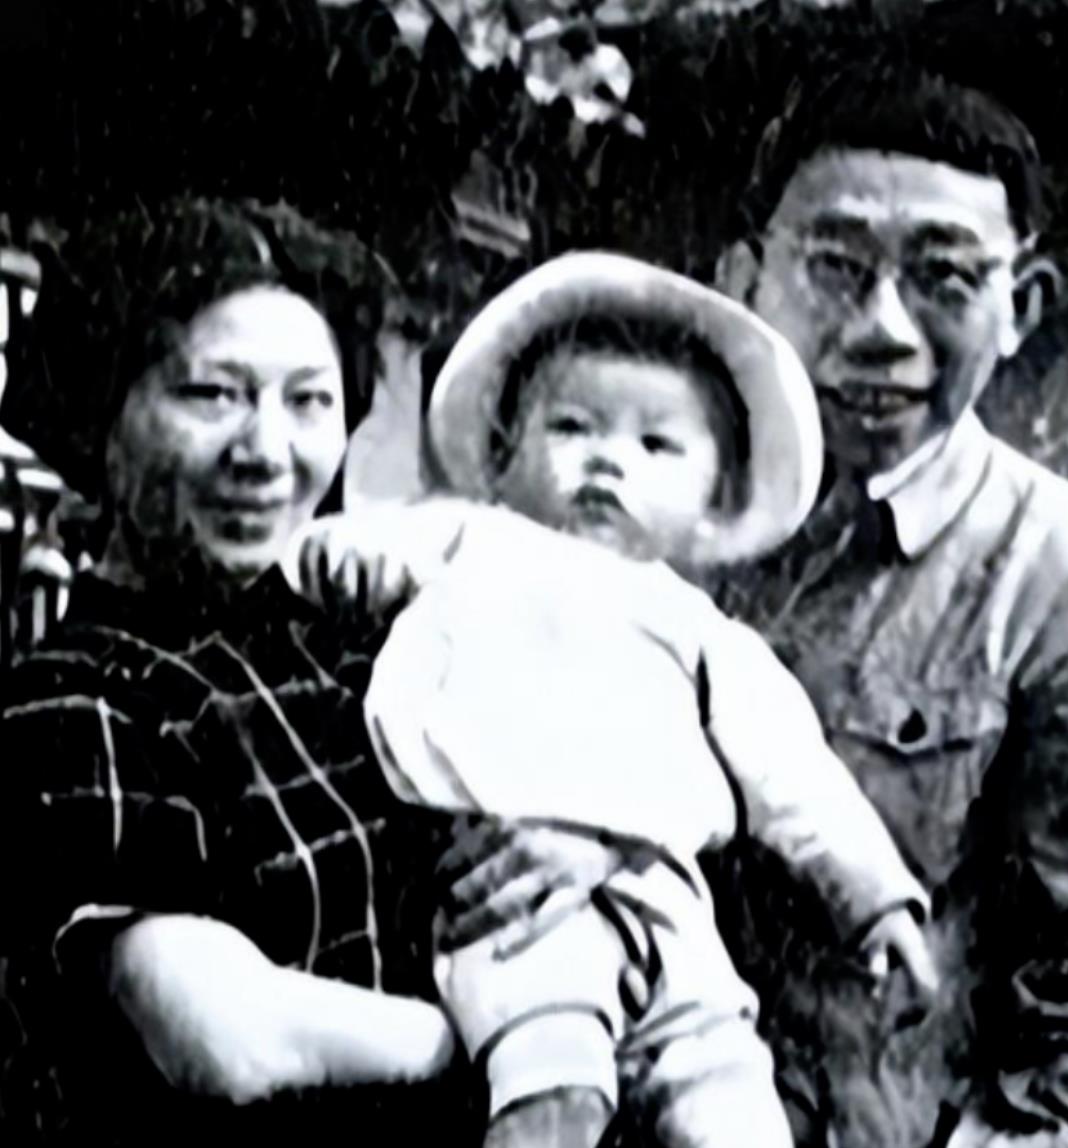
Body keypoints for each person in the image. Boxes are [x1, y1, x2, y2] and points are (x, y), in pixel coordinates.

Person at [0, 199, 640, 1142]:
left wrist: (584, 850)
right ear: (105, 416)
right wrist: (518, 1052)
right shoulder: (73, 700)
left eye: (309, 401)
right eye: (211, 394)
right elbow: (222, 1036)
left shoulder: (375, 646)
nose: (266, 452)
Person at [287, 251, 935, 1148]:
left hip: (665, 895)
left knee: (726, 1090)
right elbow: (342, 554)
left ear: (714, 494)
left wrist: (877, 900)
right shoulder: (473, 540)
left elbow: (797, 776)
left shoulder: (700, 631)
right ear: (505, 450)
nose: (606, 461)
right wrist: (320, 558)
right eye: (571, 427)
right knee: (550, 1081)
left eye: (656, 446)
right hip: (518, 890)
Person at [708, 67, 1068, 1148]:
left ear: (1020, 309)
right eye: (835, 268)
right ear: (743, 278)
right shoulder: (652, 533)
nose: (882, 329)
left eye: (943, 277)